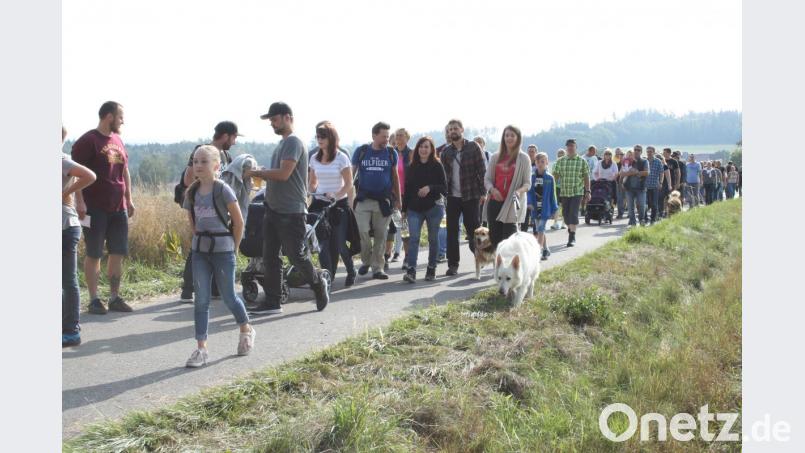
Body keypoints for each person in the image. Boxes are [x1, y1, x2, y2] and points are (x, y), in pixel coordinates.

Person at [247, 102, 331, 314]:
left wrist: (258, 173)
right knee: (270, 257)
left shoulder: (293, 142)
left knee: (297, 256)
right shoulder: (282, 144)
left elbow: (284, 174)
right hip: (273, 209)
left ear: (287, 117)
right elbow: (281, 172)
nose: (272, 124)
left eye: (274, 120)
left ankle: (317, 282)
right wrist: (264, 172)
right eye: (271, 121)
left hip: (291, 211)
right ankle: (273, 301)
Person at [181, 145, 255, 367]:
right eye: (195, 161)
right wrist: (198, 242)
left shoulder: (223, 190)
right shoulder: (192, 192)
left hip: (223, 250)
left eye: (204, 161)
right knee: (201, 300)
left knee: (229, 296)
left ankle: (246, 329)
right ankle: (201, 349)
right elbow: (192, 223)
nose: (198, 166)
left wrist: (233, 246)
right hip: (200, 251)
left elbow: (238, 221)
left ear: (216, 166)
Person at [71, 101, 135, 314]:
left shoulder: (118, 140)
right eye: (120, 116)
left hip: (119, 207)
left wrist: (129, 198)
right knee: (94, 253)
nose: (123, 121)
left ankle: (115, 297)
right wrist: (79, 201)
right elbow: (75, 173)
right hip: (94, 207)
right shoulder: (88, 141)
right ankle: (94, 299)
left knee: (118, 252)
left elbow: (125, 171)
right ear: (109, 116)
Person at [179, 121, 242, 303]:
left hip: (219, 205)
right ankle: (188, 288)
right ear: (225, 136)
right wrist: (198, 195)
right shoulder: (202, 151)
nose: (235, 141)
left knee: (214, 245)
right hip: (200, 203)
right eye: (234, 137)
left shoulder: (225, 155)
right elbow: (189, 177)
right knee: (199, 244)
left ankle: (215, 288)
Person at [351, 122, 402, 280]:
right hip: (363, 200)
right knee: (362, 231)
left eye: (388, 136)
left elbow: (395, 177)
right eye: (383, 136)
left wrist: (398, 199)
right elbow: (351, 176)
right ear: (374, 135)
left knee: (381, 234)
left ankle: (378, 268)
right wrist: (349, 198)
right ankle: (366, 260)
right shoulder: (362, 151)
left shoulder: (391, 153)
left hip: (383, 201)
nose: (386, 139)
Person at [308, 122, 356, 287]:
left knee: (340, 243)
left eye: (323, 136)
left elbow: (348, 184)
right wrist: (312, 191)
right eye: (318, 136)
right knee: (322, 243)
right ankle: (327, 277)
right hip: (320, 204)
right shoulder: (314, 158)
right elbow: (312, 181)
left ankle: (351, 270)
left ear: (331, 138)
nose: (320, 139)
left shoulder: (341, 157)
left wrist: (336, 195)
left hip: (338, 206)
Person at [62, 127, 97, 347]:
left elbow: (90, 175)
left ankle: (72, 330)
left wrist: (64, 193)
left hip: (64, 226)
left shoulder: (60, 159)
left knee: (67, 280)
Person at [440, 119, 487, 276]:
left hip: (471, 195)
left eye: (455, 128)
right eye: (450, 129)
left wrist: (483, 192)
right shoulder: (446, 152)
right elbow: (444, 176)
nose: (452, 131)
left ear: (462, 130)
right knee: (452, 232)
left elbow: (482, 170)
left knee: (474, 229)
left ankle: (480, 257)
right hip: (452, 197)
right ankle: (453, 264)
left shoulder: (473, 147)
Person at [401, 137, 447, 283]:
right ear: (417, 149)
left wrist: (430, 188)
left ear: (431, 149)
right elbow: (407, 190)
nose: (423, 149)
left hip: (434, 207)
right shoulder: (411, 166)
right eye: (421, 146)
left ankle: (431, 268)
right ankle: (411, 271)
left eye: (426, 147)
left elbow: (444, 187)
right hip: (414, 208)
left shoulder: (437, 165)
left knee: (433, 239)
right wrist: (404, 210)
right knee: (414, 238)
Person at [484, 126, 532, 247]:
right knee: (495, 240)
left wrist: (519, 191)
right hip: (495, 202)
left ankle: (510, 265)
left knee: (510, 240)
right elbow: (487, 179)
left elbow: (527, 183)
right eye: (507, 135)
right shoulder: (495, 156)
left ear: (518, 138)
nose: (509, 138)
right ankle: (499, 265)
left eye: (512, 135)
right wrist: (492, 190)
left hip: (512, 204)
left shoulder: (524, 158)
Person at [551, 139, 591, 246]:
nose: (570, 148)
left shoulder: (582, 161)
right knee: (566, 215)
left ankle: (572, 237)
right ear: (566, 148)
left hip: (577, 192)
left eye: (572, 146)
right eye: (568, 146)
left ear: (576, 147)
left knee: (573, 213)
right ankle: (570, 228)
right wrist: (550, 187)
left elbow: (586, 177)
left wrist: (588, 191)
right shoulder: (561, 161)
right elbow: (555, 176)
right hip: (564, 192)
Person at [527, 152, 558, 261]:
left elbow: (552, 194)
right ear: (535, 162)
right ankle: (546, 249)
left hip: (545, 209)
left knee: (540, 229)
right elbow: (529, 192)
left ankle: (538, 252)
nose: (540, 164)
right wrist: (529, 203)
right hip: (535, 209)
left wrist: (555, 209)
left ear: (546, 163)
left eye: (542, 162)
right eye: (538, 161)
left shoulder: (550, 178)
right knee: (541, 230)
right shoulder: (531, 177)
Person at [390, 128, 412, 268]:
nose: (398, 138)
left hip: (408, 195)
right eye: (397, 135)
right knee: (395, 226)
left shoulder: (411, 153)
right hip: (392, 195)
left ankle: (408, 256)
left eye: (401, 135)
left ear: (407, 138)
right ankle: (387, 254)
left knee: (406, 226)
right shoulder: (390, 153)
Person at [620, 144, 649, 227]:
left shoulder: (644, 161)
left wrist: (637, 172)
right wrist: (632, 172)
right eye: (635, 149)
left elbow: (647, 172)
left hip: (641, 188)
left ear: (641, 152)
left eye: (638, 150)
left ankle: (641, 219)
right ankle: (632, 222)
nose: (636, 151)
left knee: (641, 205)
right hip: (629, 188)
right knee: (630, 206)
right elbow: (621, 173)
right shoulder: (627, 161)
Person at [644, 146, 669, 224]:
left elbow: (662, 172)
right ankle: (645, 218)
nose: (649, 153)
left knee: (654, 204)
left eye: (650, 151)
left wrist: (661, 182)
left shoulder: (658, 161)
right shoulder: (644, 161)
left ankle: (653, 219)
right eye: (648, 151)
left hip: (655, 186)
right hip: (645, 186)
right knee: (645, 204)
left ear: (654, 152)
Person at [520, 144, 538, 231]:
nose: (531, 153)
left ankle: (536, 234)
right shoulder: (524, 163)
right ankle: (523, 232)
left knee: (535, 215)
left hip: (536, 193)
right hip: (525, 192)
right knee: (524, 215)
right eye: (529, 151)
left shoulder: (539, 164)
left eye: (532, 151)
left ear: (536, 153)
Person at [550, 148, 567, 230]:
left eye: (562, 155)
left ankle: (564, 223)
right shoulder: (555, 164)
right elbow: (553, 176)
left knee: (564, 205)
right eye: (559, 155)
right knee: (556, 206)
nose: (560, 156)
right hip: (556, 187)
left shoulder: (567, 164)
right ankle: (555, 222)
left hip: (565, 187)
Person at [614, 148, 627, 219]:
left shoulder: (628, 164)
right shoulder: (616, 163)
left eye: (622, 154)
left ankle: (630, 213)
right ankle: (620, 213)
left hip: (628, 183)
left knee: (627, 198)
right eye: (618, 154)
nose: (620, 155)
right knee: (619, 199)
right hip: (619, 183)